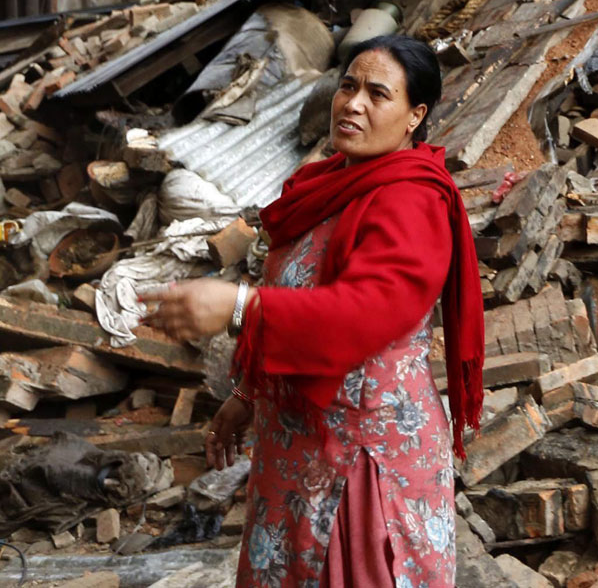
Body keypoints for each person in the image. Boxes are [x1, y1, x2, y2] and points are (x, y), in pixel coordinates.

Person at [143, 33, 483, 588]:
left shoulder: (411, 199)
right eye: (348, 86)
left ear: (414, 115)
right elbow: (298, 294)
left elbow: (365, 312)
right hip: (298, 449)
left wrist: (238, 309)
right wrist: (248, 395)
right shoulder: (326, 185)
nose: (353, 103)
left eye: (378, 94)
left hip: (363, 459)